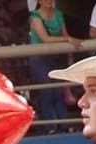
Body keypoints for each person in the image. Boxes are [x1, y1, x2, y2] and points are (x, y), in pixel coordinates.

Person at [28, 0, 82, 134]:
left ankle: (63, 126)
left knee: (58, 91)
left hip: (56, 56)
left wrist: (67, 41)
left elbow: (64, 34)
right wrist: (67, 39)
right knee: (47, 90)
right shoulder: (35, 17)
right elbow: (45, 38)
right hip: (40, 58)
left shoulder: (58, 14)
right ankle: (50, 127)